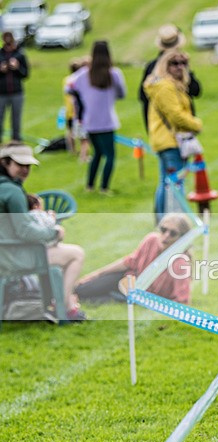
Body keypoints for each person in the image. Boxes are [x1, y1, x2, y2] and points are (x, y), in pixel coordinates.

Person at [0, 143, 86, 321]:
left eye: (28, 165)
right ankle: (63, 307)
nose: (25, 170)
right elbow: (25, 231)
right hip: (14, 257)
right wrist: (54, 233)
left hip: (7, 252)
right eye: (20, 164)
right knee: (76, 254)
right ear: (5, 162)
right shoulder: (12, 192)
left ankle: (54, 303)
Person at [74, 213, 192, 304]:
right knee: (80, 288)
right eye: (163, 230)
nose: (166, 236)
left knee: (89, 299)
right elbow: (129, 261)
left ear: (182, 238)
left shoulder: (180, 263)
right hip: (128, 279)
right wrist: (97, 274)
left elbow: (182, 299)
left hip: (141, 296)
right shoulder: (151, 239)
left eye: (173, 233)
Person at [144, 48, 203, 223]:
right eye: (174, 63)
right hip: (170, 141)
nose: (180, 67)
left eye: (184, 63)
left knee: (166, 182)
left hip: (167, 139)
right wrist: (196, 124)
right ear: (164, 65)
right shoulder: (165, 87)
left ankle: (163, 222)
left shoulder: (169, 85)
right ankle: (172, 223)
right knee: (175, 184)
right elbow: (175, 116)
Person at [67, 41, 126, 194]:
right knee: (110, 155)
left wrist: (83, 98)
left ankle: (90, 185)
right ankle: (104, 187)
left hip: (90, 121)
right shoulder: (114, 74)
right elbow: (122, 94)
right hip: (107, 121)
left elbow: (69, 87)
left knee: (97, 153)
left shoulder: (83, 75)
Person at [138, 25, 202, 132]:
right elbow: (195, 90)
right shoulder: (180, 66)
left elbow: (143, 97)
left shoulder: (151, 67)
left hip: (158, 127)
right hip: (178, 128)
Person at [0, 32, 28, 143]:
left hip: (16, 92)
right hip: (2, 92)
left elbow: (25, 74)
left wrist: (17, 67)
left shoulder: (20, 55)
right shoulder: (0, 55)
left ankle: (16, 140)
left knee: (16, 118)